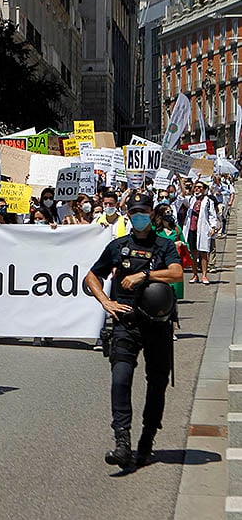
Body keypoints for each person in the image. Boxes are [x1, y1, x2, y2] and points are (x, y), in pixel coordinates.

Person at [84, 192, 183, 470]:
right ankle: (122, 442)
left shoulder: (164, 245)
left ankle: (147, 439)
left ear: (151, 214)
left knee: (157, 382)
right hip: (126, 324)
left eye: (144, 212)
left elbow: (176, 273)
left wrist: (146, 275)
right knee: (120, 380)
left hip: (157, 325)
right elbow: (92, 276)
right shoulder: (118, 246)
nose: (139, 217)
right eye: (134, 212)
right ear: (129, 215)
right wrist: (105, 301)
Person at [180, 181, 220, 285]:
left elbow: (212, 215)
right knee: (193, 253)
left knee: (203, 253)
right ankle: (195, 275)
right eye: (196, 187)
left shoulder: (208, 201)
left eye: (200, 187)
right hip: (192, 230)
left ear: (204, 189)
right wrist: (181, 180)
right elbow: (183, 195)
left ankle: (204, 275)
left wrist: (213, 228)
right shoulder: (191, 199)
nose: (197, 189)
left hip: (202, 230)